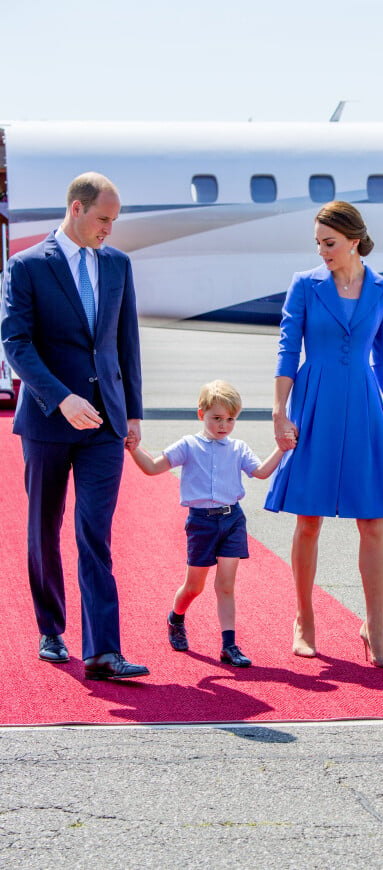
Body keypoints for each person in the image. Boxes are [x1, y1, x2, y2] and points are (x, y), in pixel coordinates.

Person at [0, 171, 149, 681]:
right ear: (76, 208)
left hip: (105, 422)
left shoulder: (118, 265)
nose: (110, 228)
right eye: (104, 219)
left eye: (115, 220)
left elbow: (125, 341)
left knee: (95, 533)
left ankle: (104, 651)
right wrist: (59, 398)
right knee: (44, 528)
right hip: (47, 420)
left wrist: (132, 412)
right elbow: (15, 343)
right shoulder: (26, 266)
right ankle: (50, 628)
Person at [265, 201, 383, 668]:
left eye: (329, 243)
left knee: (371, 520)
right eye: (318, 244)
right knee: (308, 519)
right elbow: (288, 348)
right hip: (314, 404)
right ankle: (304, 619)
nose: (323, 251)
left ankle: (373, 628)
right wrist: (278, 410)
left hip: (364, 406)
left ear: (354, 240)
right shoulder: (305, 285)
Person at [127, 380, 285, 667]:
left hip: (233, 520)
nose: (223, 425)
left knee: (225, 585)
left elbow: (260, 472)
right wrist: (133, 448)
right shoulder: (188, 445)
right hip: (201, 523)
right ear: (201, 414)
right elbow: (153, 468)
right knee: (194, 586)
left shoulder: (238, 448)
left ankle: (229, 645)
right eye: (216, 418)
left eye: (230, 419)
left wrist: (281, 449)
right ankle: (176, 617)